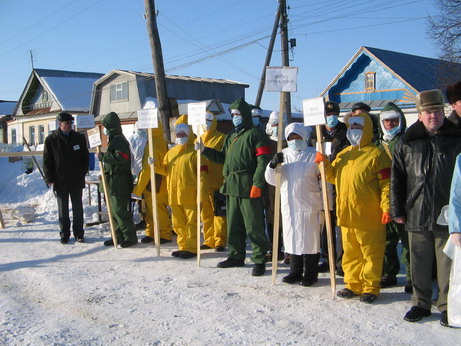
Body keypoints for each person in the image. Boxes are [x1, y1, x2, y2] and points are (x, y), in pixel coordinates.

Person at [391, 89, 461, 326]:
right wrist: (397, 209)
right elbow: (397, 178)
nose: (434, 116)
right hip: (416, 211)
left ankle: (445, 304)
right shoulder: (407, 142)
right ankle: (420, 303)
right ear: (420, 115)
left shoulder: (456, 139)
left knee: (446, 264)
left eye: (438, 111)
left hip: (446, 213)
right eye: (428, 112)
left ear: (444, 112)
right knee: (418, 262)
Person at [315, 113, 392, 304]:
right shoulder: (343, 154)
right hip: (346, 215)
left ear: (366, 129)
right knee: (350, 252)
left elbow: (387, 184)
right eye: (351, 126)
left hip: (369, 215)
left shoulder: (377, 154)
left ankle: (370, 286)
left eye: (358, 126)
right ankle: (352, 284)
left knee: (371, 253)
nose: (354, 130)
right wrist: (323, 163)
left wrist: (387, 206)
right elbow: (332, 177)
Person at [196, 98, 271, 276]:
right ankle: (236, 255)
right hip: (231, 185)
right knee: (233, 223)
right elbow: (223, 158)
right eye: (232, 114)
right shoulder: (231, 135)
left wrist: (258, 184)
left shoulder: (256, 135)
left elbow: (263, 161)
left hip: (248, 184)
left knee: (254, 224)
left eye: (237, 114)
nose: (235, 117)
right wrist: (205, 150)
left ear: (244, 115)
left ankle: (259, 259)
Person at [265, 122, 322, 286]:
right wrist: (272, 165)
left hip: (310, 203)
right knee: (292, 237)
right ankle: (295, 271)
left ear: (304, 137)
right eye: (291, 137)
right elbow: (271, 180)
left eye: (297, 136)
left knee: (311, 240)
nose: (294, 139)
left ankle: (311, 273)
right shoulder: (282, 154)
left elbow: (325, 180)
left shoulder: (314, 154)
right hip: (289, 203)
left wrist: (327, 203)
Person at [158, 117, 208, 259]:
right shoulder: (171, 153)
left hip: (191, 195)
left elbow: (203, 176)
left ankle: (192, 248)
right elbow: (166, 170)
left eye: (183, 133)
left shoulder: (196, 152)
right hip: (174, 195)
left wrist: (201, 195)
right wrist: (155, 165)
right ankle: (183, 246)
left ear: (189, 133)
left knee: (191, 223)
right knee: (178, 223)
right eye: (178, 133)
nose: (180, 136)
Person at [309, 101, 349, 275]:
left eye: (334, 115)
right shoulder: (316, 133)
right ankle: (328, 257)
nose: (331, 118)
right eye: (327, 115)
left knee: (340, 225)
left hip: (340, 181)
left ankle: (342, 261)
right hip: (322, 183)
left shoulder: (345, 132)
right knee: (325, 224)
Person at [377, 102, 412, 293]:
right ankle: (388, 273)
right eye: (386, 121)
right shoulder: (377, 143)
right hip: (383, 198)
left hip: (403, 196)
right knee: (387, 239)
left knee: (407, 240)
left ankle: (412, 278)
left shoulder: (407, 141)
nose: (390, 124)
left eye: (393, 120)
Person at [43, 112, 89, 244]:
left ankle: (79, 233)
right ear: (60, 124)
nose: (69, 125)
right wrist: (49, 178)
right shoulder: (51, 139)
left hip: (76, 179)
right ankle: (64, 234)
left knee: (78, 208)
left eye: (71, 123)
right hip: (60, 179)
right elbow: (47, 160)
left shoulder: (78, 138)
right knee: (63, 210)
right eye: (67, 123)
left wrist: (82, 172)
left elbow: (85, 157)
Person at [99, 112, 138, 248]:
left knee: (121, 211)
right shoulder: (113, 139)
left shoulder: (119, 140)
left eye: (105, 126)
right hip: (112, 181)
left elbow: (122, 157)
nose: (104, 129)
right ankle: (117, 235)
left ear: (110, 127)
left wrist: (104, 157)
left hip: (119, 181)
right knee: (113, 211)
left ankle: (129, 236)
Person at [131, 125, 172, 245]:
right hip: (157, 181)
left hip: (154, 182)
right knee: (150, 209)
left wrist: (138, 189)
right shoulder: (159, 141)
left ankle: (164, 234)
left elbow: (147, 169)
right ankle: (152, 232)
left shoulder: (153, 144)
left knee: (158, 209)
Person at [199, 112, 227, 252]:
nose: (206, 122)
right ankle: (209, 239)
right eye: (204, 120)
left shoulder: (222, 138)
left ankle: (220, 241)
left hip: (218, 182)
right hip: (203, 183)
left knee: (219, 213)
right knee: (206, 213)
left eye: (209, 120)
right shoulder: (198, 138)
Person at [263, 109, 285, 262]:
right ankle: (274, 248)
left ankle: (289, 251)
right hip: (270, 187)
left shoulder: (288, 142)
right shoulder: (266, 143)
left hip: (286, 186)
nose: (277, 126)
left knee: (287, 218)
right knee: (271, 217)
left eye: (279, 124)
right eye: (274, 124)